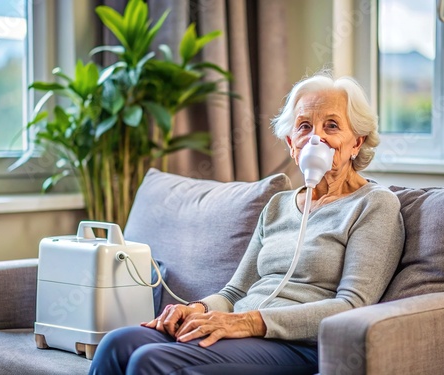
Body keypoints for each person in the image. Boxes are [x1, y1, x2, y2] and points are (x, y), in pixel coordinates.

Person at [89, 71, 405, 375]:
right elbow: (234, 291)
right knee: (116, 344)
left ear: (357, 142)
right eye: (304, 126)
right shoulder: (277, 206)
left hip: (300, 345)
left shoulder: (374, 204)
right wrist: (197, 309)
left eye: (332, 126)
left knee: (150, 360)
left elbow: (352, 306)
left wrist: (249, 323)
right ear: (290, 143)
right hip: (242, 332)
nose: (315, 138)